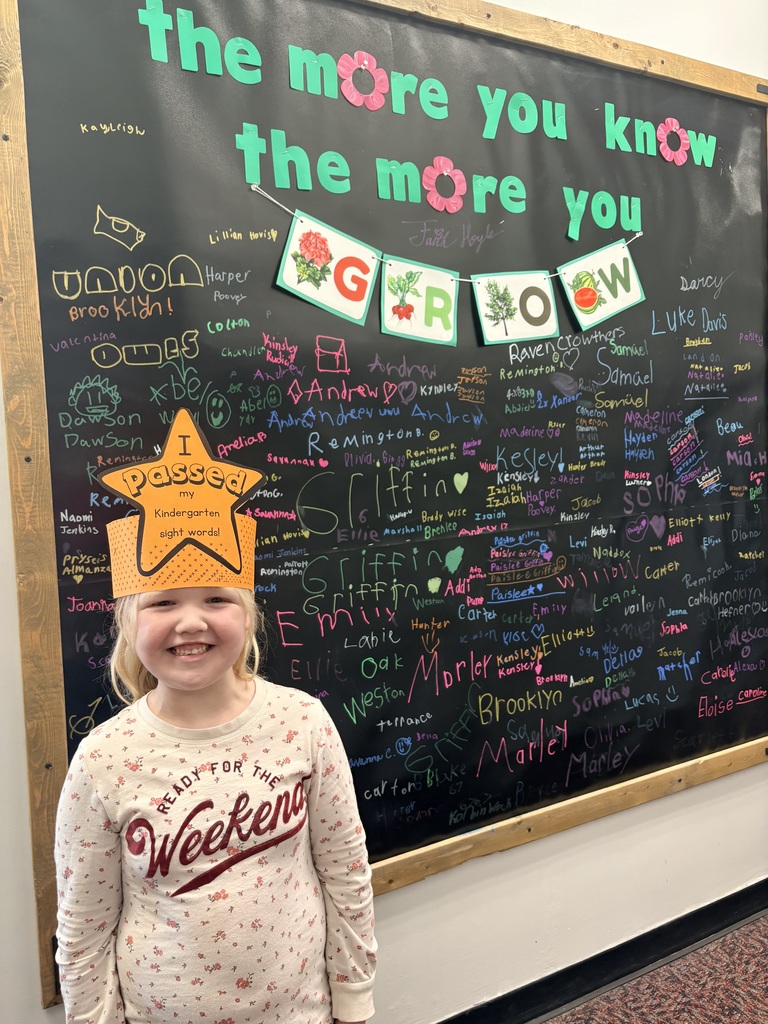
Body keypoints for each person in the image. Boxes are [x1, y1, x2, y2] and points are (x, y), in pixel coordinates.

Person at [54, 410, 377, 1024]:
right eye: (164, 603)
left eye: (217, 598)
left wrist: (354, 1000)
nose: (192, 622)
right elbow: (84, 928)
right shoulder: (103, 759)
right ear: (129, 624)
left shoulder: (303, 722)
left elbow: (345, 872)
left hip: (300, 1012)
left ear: (249, 614)